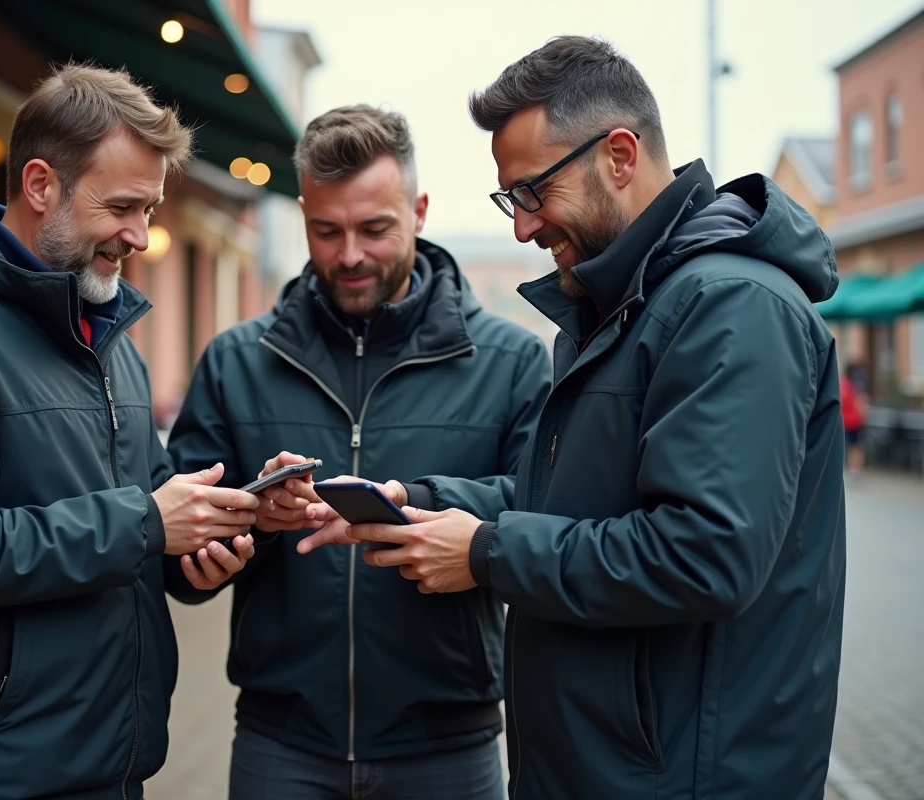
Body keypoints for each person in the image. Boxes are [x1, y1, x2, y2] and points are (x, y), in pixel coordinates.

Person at [301, 36, 846, 800]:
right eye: (509, 201)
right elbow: (572, 501)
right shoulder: (625, 308)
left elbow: (705, 554)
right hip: (607, 769)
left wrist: (486, 553)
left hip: (678, 779)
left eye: (532, 191)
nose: (523, 228)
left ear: (619, 156)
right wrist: (420, 504)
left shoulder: (731, 307)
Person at [0, 64, 261, 800]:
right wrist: (145, 523)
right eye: (122, 206)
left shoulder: (109, 338)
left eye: (151, 209)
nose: (140, 236)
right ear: (39, 185)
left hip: (111, 767)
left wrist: (209, 540)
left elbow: (141, 518)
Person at [165, 105, 551, 799]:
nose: (349, 255)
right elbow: (179, 561)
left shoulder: (512, 361)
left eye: (374, 229)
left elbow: (545, 516)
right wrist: (247, 524)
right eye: (326, 231)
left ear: (419, 212)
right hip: (281, 744)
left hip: (448, 748)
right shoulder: (234, 362)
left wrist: (423, 505)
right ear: (303, 215)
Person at [840, 361, 868, 475]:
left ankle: (854, 469)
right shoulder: (855, 385)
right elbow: (861, 402)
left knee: (853, 446)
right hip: (854, 421)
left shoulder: (844, 384)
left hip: (849, 421)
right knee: (856, 446)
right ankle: (855, 469)